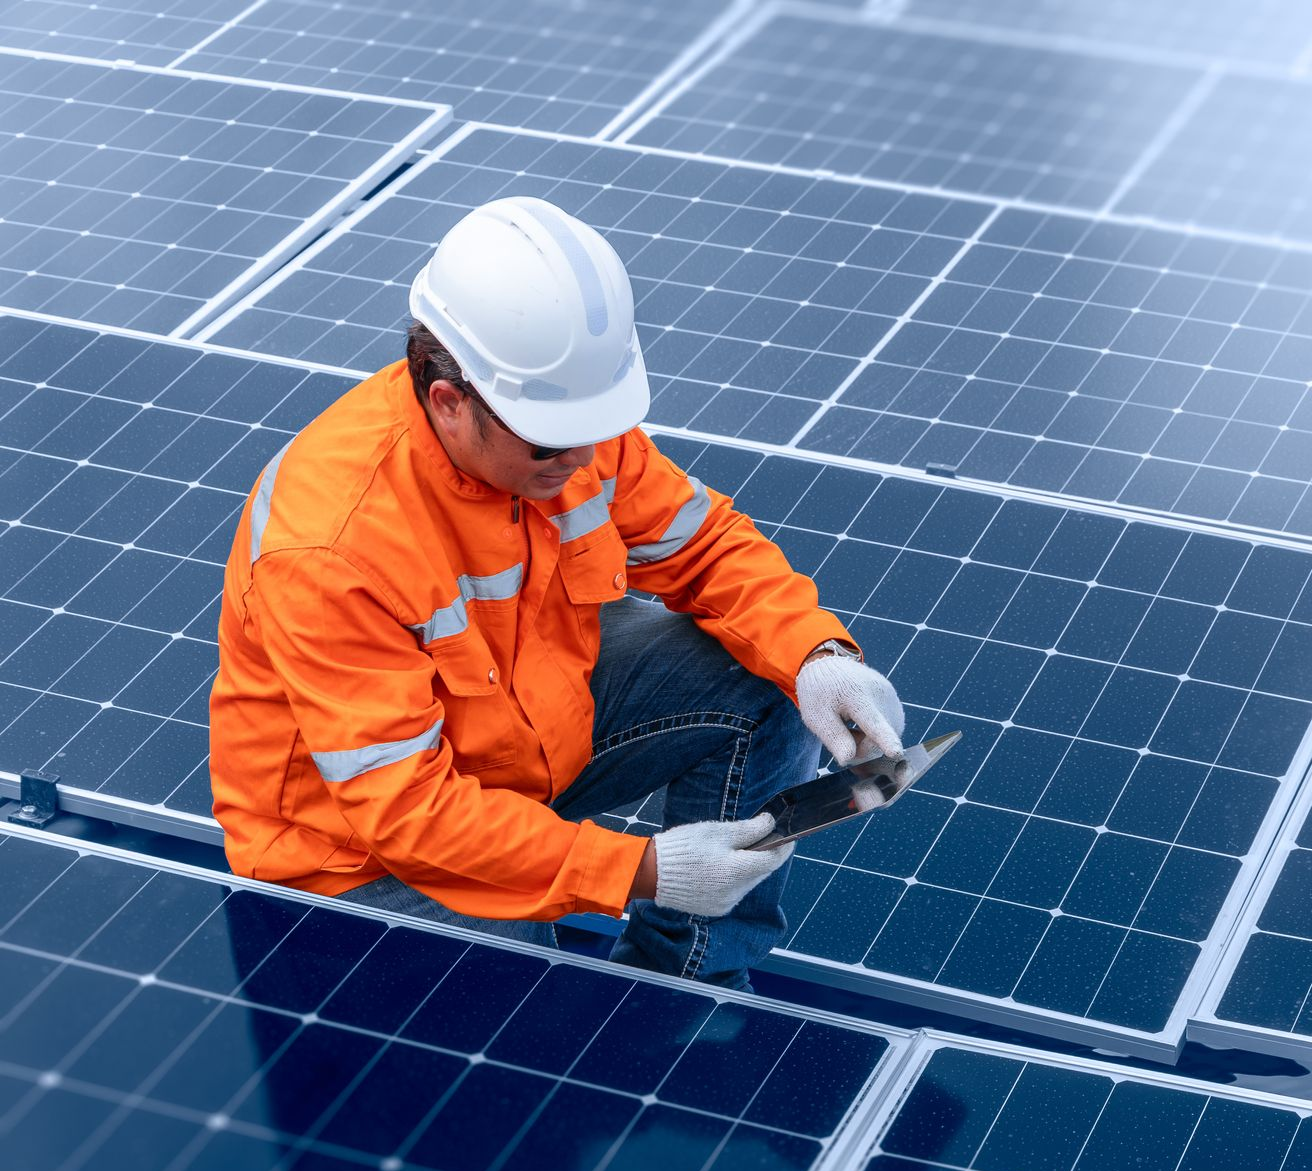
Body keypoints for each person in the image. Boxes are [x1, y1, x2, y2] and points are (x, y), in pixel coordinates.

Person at [210, 196, 904, 990]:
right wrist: (636, 869)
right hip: (366, 859)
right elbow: (404, 810)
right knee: (526, 1036)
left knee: (768, 672)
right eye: (553, 444)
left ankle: (683, 985)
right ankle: (586, 1013)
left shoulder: (560, 428)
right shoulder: (330, 545)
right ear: (450, 403)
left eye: (595, 428)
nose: (582, 460)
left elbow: (705, 547)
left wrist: (817, 657)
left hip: (526, 738)